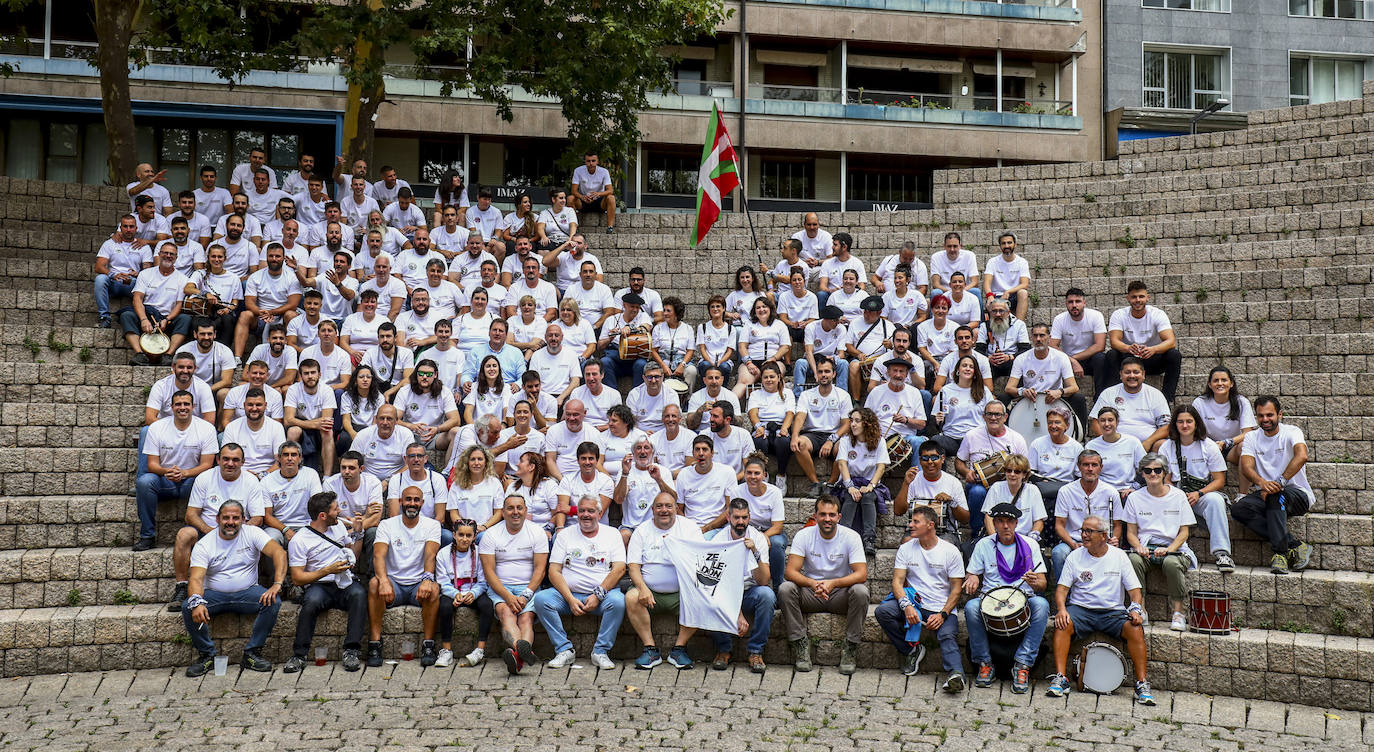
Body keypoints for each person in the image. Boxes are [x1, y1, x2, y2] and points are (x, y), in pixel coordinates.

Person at [1046, 514, 1155, 705]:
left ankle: (1141, 683)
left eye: (1089, 531)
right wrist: (1062, 609)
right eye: (1083, 531)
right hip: (1081, 609)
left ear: (1103, 536)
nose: (1084, 535)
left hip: (1112, 612)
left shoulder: (1119, 556)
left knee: (1135, 629)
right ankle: (1061, 678)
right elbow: (1062, 590)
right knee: (1062, 624)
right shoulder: (1074, 556)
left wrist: (1136, 609)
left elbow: (1135, 591)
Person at [180, 501, 286, 676]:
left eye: (236, 518)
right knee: (188, 606)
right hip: (214, 595)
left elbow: (279, 553)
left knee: (273, 601)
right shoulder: (205, 544)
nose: (230, 522)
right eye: (226, 518)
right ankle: (207, 655)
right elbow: (196, 578)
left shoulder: (252, 533)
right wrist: (197, 602)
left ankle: (252, 653)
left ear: (243, 520)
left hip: (248, 592)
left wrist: (277, 584)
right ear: (217, 519)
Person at [876, 505, 966, 688]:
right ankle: (911, 650)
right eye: (912, 521)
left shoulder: (950, 551)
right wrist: (906, 605)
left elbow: (957, 589)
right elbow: (897, 582)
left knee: (947, 635)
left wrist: (943, 614)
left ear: (930, 525)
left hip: (941, 606)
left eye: (916, 522)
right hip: (914, 603)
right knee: (883, 611)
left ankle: (956, 675)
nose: (910, 525)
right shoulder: (906, 548)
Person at [533, 495, 627, 669]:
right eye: (581, 510)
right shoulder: (565, 535)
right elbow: (554, 571)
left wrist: (598, 595)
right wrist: (569, 598)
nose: (586, 515)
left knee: (619, 602)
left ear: (599, 514)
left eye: (591, 511)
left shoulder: (612, 534)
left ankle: (600, 651)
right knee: (541, 599)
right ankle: (564, 650)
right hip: (569, 596)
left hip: (603, 595)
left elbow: (620, 568)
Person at [964, 501, 1049, 692]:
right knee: (970, 608)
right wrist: (973, 580)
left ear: (1017, 523)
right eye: (1000, 521)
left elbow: (1043, 583)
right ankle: (984, 663)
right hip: (991, 597)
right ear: (994, 524)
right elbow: (972, 574)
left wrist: (1036, 581)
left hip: (1023, 598)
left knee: (1042, 605)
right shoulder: (983, 545)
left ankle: (1023, 664)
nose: (1005, 526)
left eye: (1009, 521)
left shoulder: (1030, 545)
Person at [780, 497, 868, 675]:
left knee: (861, 591)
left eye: (831, 515)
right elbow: (790, 572)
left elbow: (861, 573)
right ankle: (800, 644)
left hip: (840, 594)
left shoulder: (851, 537)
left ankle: (850, 647)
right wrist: (813, 584)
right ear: (815, 516)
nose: (827, 519)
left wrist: (833, 583)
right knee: (785, 589)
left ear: (839, 517)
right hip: (812, 593)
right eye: (823, 514)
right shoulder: (804, 535)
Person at [284, 491, 367, 673]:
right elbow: (297, 578)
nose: (340, 511)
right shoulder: (300, 540)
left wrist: (358, 533)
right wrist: (326, 571)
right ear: (322, 515)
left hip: (342, 581)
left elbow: (352, 554)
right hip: (319, 584)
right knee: (311, 602)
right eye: (336, 509)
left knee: (359, 595)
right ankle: (299, 654)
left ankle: (352, 650)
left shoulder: (337, 527)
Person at [625, 492, 705, 669]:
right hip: (650, 593)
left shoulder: (690, 528)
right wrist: (643, 588)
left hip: (682, 592)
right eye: (659, 506)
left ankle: (679, 649)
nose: (664, 510)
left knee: (704, 598)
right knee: (631, 597)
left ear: (676, 508)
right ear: (652, 509)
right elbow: (633, 567)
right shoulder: (642, 531)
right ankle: (651, 650)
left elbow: (700, 560)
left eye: (668, 506)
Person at [1236, 396, 1313, 575]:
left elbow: (1302, 456)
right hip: (1267, 493)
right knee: (1239, 509)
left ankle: (1280, 554)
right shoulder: (1252, 437)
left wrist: (1280, 482)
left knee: (1275, 495)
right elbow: (1247, 466)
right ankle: (1295, 545)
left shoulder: (1292, 431)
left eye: (1269, 415)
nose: (1265, 419)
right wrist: (1262, 483)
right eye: (1261, 416)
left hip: (1297, 494)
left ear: (1279, 414)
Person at [367, 485, 442, 666]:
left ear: (422, 503)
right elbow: (378, 555)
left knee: (434, 589)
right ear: (400, 502)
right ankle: (375, 643)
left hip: (418, 584)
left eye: (416, 500)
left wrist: (426, 579)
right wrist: (384, 580)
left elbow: (430, 555)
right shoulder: (387, 524)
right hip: (394, 585)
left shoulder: (432, 525)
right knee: (373, 584)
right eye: (408, 499)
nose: (412, 503)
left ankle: (429, 645)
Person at [134, 390, 218, 551]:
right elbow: (151, 465)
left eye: (186, 404)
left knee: (206, 478)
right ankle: (147, 536)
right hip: (165, 479)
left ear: (193, 406)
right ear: (171, 407)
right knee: (144, 482)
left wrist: (185, 473)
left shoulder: (206, 428)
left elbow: (207, 465)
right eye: (178, 404)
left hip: (192, 481)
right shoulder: (157, 427)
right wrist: (167, 471)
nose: (182, 407)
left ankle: (198, 534)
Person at [1121, 453, 1196, 631]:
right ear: (1143, 474)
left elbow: (1184, 532)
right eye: (1148, 470)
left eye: (1157, 470)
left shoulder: (1178, 496)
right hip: (1145, 546)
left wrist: (1169, 549)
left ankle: (1178, 612)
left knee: (1171, 563)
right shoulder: (1134, 498)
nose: (1153, 474)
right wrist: (1138, 547)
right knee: (1133, 560)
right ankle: (1140, 608)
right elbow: (1131, 533)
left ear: (1164, 473)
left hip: (1175, 547)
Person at [1156, 405, 1234, 573]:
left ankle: (1222, 554)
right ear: (1175, 424)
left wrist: (1199, 494)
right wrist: (1178, 495)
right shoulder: (1166, 447)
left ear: (1196, 423)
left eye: (1189, 421)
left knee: (1215, 500)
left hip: (1200, 494)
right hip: (1175, 495)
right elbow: (1165, 480)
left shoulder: (1209, 446)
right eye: (1180, 422)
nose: (1185, 425)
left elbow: (1219, 480)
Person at [479, 494, 550, 674]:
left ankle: (517, 656)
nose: (515, 512)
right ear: (502, 512)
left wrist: (526, 595)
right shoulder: (491, 535)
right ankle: (523, 651)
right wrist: (507, 596)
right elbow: (489, 572)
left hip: (528, 587)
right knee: (506, 613)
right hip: (500, 588)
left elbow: (540, 570)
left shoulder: (537, 532)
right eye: (510, 508)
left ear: (526, 511)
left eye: (519, 508)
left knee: (526, 618)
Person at [705, 498, 775, 673]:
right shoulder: (718, 540)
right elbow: (715, 583)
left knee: (767, 595)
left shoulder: (757, 538)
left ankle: (755, 652)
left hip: (750, 591)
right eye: (736, 517)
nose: (741, 522)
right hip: (725, 592)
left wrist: (755, 552)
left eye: (744, 517)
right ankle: (723, 650)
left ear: (749, 517)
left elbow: (763, 580)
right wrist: (737, 613)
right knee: (711, 599)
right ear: (728, 517)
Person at [955, 401, 1028, 533]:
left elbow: (1025, 467)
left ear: (1005, 417)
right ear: (983, 416)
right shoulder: (972, 435)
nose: (993, 418)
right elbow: (959, 462)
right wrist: (967, 472)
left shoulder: (1017, 439)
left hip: (1008, 484)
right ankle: (977, 531)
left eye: (997, 414)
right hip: (979, 484)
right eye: (989, 414)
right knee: (977, 492)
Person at [1051, 450, 1121, 580]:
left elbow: (1117, 525)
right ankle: (1066, 595)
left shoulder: (1111, 492)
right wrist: (1073, 544)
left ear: (1101, 467)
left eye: (1094, 465)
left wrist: (1114, 538)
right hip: (1073, 540)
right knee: (1058, 553)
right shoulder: (1066, 491)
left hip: (1101, 541)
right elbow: (1059, 525)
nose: (1090, 469)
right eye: (1086, 465)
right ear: (1078, 467)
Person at [1107, 280, 1181, 402]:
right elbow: (1114, 341)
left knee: (1174, 354)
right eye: (1134, 297)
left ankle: (1166, 399)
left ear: (1147, 297)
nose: (1138, 300)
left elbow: (1171, 341)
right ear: (1128, 298)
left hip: (1152, 357)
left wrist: (1154, 349)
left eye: (1141, 296)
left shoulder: (1157, 314)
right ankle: (1114, 397)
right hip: (1129, 358)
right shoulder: (1119, 315)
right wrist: (1128, 348)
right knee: (1111, 354)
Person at [435, 518, 494, 668]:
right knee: (444, 607)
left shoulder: (480, 554)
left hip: (473, 591)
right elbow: (442, 582)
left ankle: (480, 649)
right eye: (461, 535)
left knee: (487, 605)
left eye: (469, 535)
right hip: (453, 592)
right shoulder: (443, 554)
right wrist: (455, 594)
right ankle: (446, 650)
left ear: (475, 536)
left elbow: (483, 581)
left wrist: (473, 594)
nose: (464, 539)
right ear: (454, 535)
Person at [121, 243, 191, 366]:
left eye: (171, 254)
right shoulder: (145, 274)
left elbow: (179, 304)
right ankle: (140, 355)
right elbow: (137, 298)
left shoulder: (182, 279)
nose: (168, 256)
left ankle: (168, 355)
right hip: (147, 314)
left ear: (176, 257)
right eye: (165, 253)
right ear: (159, 254)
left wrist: (167, 319)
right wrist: (143, 319)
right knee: (126, 315)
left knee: (185, 319)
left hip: (167, 318)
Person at [790, 356, 851, 498]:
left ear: (834, 374)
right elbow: (799, 417)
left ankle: (831, 484)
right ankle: (815, 483)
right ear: (816, 374)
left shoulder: (843, 395)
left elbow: (847, 423)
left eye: (827, 371)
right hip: (813, 434)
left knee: (844, 445)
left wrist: (831, 440)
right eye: (820, 371)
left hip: (835, 434)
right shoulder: (806, 395)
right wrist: (794, 437)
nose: (823, 375)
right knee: (799, 443)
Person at [833, 407, 889, 558]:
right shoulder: (845, 441)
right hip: (849, 481)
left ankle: (869, 539)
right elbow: (842, 464)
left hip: (870, 482)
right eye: (851, 421)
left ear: (867, 423)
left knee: (868, 497)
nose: (853, 424)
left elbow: (881, 466)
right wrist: (850, 486)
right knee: (851, 496)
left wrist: (871, 486)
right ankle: (842, 537)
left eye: (857, 421)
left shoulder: (880, 441)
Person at [1006, 323, 1085, 422]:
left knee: (1079, 398)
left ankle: (1080, 436)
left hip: (1054, 399)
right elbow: (1009, 388)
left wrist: (1060, 392)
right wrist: (1022, 391)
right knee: (1003, 397)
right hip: (1030, 399)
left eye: (1042, 335)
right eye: (1035, 336)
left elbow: (1074, 387)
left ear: (1049, 338)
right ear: (1031, 338)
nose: (1038, 339)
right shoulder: (1022, 358)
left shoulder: (1061, 357)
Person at [896, 440, 970, 544]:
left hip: (946, 532)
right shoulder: (913, 480)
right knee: (907, 541)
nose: (930, 462)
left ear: (942, 459)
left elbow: (965, 519)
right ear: (920, 461)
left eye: (934, 457)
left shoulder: (953, 482)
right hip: (917, 530)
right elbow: (898, 511)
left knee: (944, 545)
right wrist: (906, 484)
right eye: (925, 458)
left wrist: (952, 503)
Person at [1092, 357, 1170, 447]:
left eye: (1136, 372)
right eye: (1127, 372)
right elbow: (1096, 423)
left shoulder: (1155, 394)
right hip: (1116, 444)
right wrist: (1111, 443)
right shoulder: (1108, 393)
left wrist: (1148, 443)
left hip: (1147, 446)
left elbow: (1166, 426)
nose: (1132, 376)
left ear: (1143, 374)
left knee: (1162, 444)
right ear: (1121, 374)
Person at [260, 440, 324, 551]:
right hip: (278, 527)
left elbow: (317, 506)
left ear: (300, 458)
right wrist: (285, 530)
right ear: (279, 458)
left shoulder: (311, 474)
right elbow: (267, 516)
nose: (290, 458)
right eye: (286, 455)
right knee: (271, 539)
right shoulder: (266, 481)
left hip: (305, 525)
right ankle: (277, 569)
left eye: (294, 455)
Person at [929, 355, 993, 458]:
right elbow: (936, 422)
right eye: (964, 365)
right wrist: (938, 420)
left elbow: (992, 415)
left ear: (975, 372)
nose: (968, 368)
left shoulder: (984, 391)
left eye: (971, 367)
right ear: (958, 370)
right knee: (936, 441)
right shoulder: (946, 390)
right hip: (952, 438)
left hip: (975, 438)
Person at [1050, 287, 1109, 398]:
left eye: (1078, 301)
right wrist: (1071, 361)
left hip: (1089, 359)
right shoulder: (1059, 319)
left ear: (1084, 303)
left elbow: (1100, 346)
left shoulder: (1096, 316)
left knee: (1101, 358)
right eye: (1070, 302)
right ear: (1066, 304)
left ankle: (1101, 398)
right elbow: (1052, 345)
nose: (1074, 305)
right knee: (1052, 359)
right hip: (1067, 359)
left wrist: (1075, 359)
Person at [1191, 365, 1256, 465]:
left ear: (1231, 383)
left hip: (1233, 447)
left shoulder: (1241, 402)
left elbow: (1248, 433)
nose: (1220, 383)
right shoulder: (1200, 403)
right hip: (1208, 447)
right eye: (1216, 380)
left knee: (1244, 447)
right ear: (1209, 384)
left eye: (1224, 380)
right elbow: (1195, 431)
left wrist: (1225, 443)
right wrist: (1213, 446)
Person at [746, 362, 796, 488]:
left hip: (780, 427)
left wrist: (784, 428)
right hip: (763, 427)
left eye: (772, 377)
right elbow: (753, 413)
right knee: (759, 441)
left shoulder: (787, 393)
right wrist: (758, 427)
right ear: (761, 379)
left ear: (779, 377)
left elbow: (790, 413)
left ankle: (781, 475)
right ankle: (764, 474)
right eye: (765, 377)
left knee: (783, 441)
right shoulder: (755, 394)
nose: (769, 380)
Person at [675, 435, 737, 532]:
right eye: (697, 450)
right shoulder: (684, 474)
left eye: (705, 449)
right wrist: (688, 528)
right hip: (690, 528)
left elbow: (730, 509)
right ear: (692, 453)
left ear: (712, 453)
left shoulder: (727, 472)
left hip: (718, 528)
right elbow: (679, 508)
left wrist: (706, 528)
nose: (701, 453)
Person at [733, 297, 791, 399]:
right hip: (752, 361)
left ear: (770, 309)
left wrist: (773, 359)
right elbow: (742, 346)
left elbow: (785, 346)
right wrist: (749, 363)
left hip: (773, 361)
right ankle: (725, 406)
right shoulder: (749, 325)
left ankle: (783, 405)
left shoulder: (779, 325)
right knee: (744, 381)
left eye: (764, 307)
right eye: (758, 308)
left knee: (776, 378)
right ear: (754, 311)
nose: (761, 310)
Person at [1028, 407, 1082, 516]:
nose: (1053, 426)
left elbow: (1079, 476)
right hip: (1043, 489)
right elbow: (1031, 472)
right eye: (1050, 422)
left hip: (1067, 490)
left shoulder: (1076, 447)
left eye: (1057, 422)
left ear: (1067, 425)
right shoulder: (1037, 444)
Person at [284, 359, 336, 473]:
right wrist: (311, 424)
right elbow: (288, 420)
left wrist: (309, 423)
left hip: (317, 429)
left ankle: (327, 476)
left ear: (319, 374)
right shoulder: (293, 389)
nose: (310, 376)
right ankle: (291, 471)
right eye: (306, 373)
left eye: (313, 372)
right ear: (300, 375)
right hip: (301, 428)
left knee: (328, 431)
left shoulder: (327, 390)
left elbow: (326, 421)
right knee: (293, 431)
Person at [220, 389, 287, 477]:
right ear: (244, 405)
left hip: (268, 476)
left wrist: (261, 475)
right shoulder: (232, 427)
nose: (254, 408)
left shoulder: (276, 427)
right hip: (238, 475)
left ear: (265, 406)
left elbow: (280, 461)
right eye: (250, 405)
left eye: (258, 405)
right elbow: (226, 459)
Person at [980, 454, 1046, 541]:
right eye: (1009, 470)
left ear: (1025, 474)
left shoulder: (1033, 490)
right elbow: (988, 517)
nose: (1012, 474)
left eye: (1017, 471)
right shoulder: (996, 488)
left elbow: (1039, 520)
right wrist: (994, 539)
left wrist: (1032, 538)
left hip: (1024, 539)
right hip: (1000, 537)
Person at [1085, 406, 1145, 501]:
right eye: (1103, 420)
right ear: (1099, 423)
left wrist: (1134, 488)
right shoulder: (1091, 445)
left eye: (1110, 420)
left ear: (1117, 422)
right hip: (1101, 491)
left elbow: (1145, 468)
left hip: (1126, 491)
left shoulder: (1132, 442)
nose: (1107, 424)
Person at [863, 357, 926, 444]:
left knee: (918, 441)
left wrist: (906, 420)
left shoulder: (914, 392)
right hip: (880, 438)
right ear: (888, 372)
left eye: (901, 371)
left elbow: (922, 424)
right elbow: (865, 419)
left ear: (907, 374)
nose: (898, 375)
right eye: (895, 370)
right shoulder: (876, 392)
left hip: (906, 439)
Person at [794, 306, 849, 398]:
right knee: (800, 363)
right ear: (826, 320)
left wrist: (834, 358)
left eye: (838, 320)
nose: (837, 322)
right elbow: (808, 352)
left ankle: (842, 396)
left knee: (843, 363)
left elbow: (841, 354)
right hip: (813, 359)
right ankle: (798, 396)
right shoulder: (811, 327)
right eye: (835, 320)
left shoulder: (841, 329)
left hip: (830, 359)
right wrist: (816, 373)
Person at [352, 405, 417, 481]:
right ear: (376, 419)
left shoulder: (405, 434)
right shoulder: (363, 434)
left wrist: (388, 481)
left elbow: (410, 464)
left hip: (397, 480)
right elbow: (352, 460)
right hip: (367, 481)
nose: (385, 422)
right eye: (382, 418)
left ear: (396, 421)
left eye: (389, 419)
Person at [983, 232, 1031, 320]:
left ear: (1015, 244)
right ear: (1000, 246)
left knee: (1023, 293)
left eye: (1009, 243)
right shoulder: (992, 261)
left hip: (1013, 296)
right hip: (996, 296)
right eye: (1003, 243)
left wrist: (1008, 292)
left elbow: (1025, 284)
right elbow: (987, 282)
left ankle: (1019, 327)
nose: (1006, 246)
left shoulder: (1022, 262)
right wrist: (989, 296)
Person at [978, 299, 1028, 381]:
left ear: (1008, 312)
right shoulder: (984, 326)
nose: (998, 314)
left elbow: (1025, 349)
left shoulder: (1019, 325)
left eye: (1001, 311)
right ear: (990, 313)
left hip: (1012, 359)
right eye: (994, 311)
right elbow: (979, 350)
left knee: (1021, 364)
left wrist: (1009, 357)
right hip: (991, 360)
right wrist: (988, 358)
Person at [701, 402, 753, 478]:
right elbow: (699, 464)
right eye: (711, 415)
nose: (711, 419)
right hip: (711, 481)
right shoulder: (704, 435)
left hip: (737, 480)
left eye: (715, 416)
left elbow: (749, 467)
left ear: (727, 419)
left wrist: (730, 482)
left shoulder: (743, 435)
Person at [569, 151, 617, 232]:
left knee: (611, 198)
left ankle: (610, 227)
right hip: (583, 200)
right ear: (585, 161)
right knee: (570, 198)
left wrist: (598, 194)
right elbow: (573, 191)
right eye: (588, 161)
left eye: (593, 161)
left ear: (597, 161)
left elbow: (610, 190)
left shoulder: (604, 171)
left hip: (599, 201)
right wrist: (582, 197)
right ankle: (573, 228)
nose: (591, 163)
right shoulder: (578, 170)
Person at [929, 232, 981, 302]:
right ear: (944, 246)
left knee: (975, 291)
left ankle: (979, 313)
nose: (952, 249)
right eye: (949, 246)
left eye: (955, 246)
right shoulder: (936, 257)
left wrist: (960, 291)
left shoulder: (969, 256)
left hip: (964, 290)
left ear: (960, 246)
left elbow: (975, 282)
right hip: (945, 291)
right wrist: (951, 292)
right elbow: (935, 284)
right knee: (935, 293)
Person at [626, 363, 674, 434]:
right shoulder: (634, 394)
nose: (653, 381)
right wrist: (642, 433)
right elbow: (631, 421)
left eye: (657, 376)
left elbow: (673, 421)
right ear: (644, 378)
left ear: (662, 377)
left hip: (664, 433)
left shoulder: (671, 394)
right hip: (639, 432)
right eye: (649, 377)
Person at [776, 266, 819, 344]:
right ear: (791, 282)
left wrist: (805, 323)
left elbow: (813, 318)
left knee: (809, 330)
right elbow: (782, 317)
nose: (797, 282)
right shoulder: (784, 296)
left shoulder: (812, 297)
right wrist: (792, 324)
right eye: (794, 280)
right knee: (785, 331)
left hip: (805, 326)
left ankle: (808, 355)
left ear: (804, 281)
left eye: (799, 279)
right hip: (790, 326)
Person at [880, 264, 927, 329]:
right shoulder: (887, 296)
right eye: (895, 278)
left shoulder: (917, 295)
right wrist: (894, 327)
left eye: (900, 278)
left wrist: (909, 325)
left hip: (910, 328)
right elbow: (883, 318)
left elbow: (923, 317)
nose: (897, 281)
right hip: (893, 328)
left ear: (907, 279)